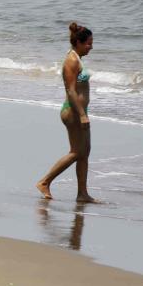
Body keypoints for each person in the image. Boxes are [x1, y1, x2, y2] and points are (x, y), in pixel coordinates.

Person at [36, 23, 97, 203]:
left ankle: (82, 194)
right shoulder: (71, 60)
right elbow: (70, 90)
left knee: (84, 152)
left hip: (79, 111)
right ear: (78, 42)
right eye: (88, 43)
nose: (91, 47)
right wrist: (82, 115)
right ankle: (44, 182)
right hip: (72, 112)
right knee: (77, 152)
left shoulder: (77, 58)